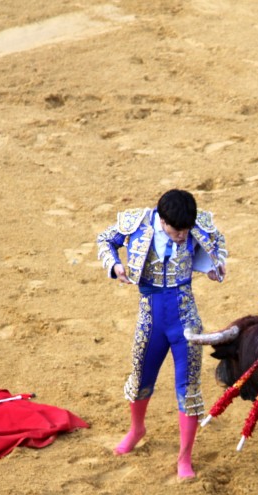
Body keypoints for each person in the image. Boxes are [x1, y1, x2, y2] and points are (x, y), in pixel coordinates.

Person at [96, 189, 227, 479]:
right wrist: (114, 265)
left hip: (185, 317)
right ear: (162, 220)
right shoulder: (138, 222)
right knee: (140, 376)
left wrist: (216, 266)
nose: (183, 235)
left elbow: (218, 242)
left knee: (188, 388)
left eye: (186, 230)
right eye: (177, 230)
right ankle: (136, 429)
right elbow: (104, 239)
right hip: (150, 315)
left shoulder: (195, 224)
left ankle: (184, 458)